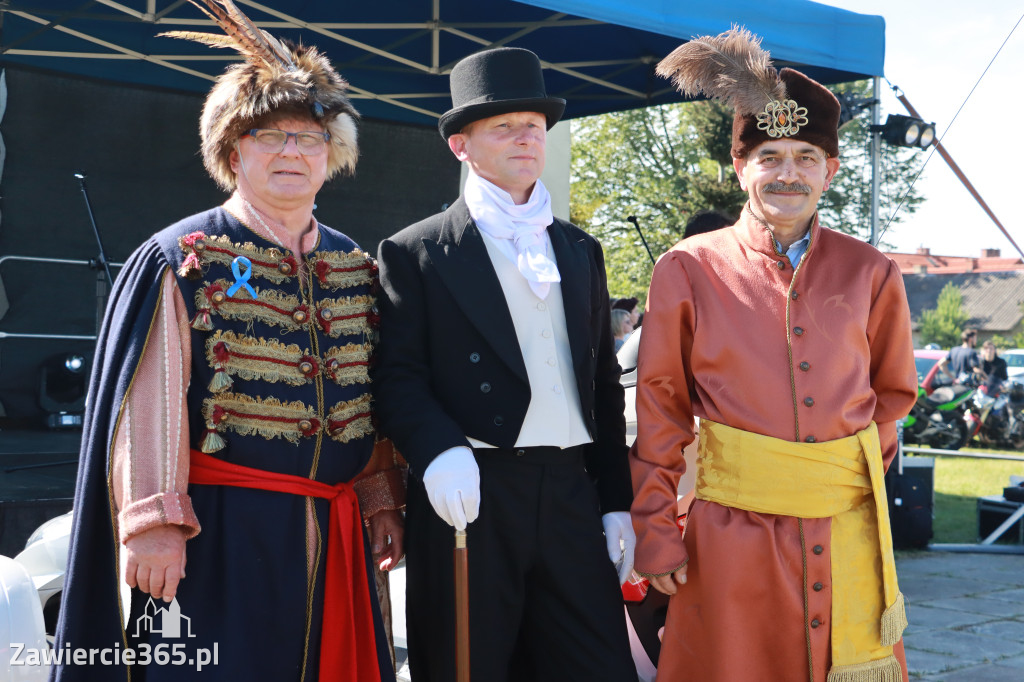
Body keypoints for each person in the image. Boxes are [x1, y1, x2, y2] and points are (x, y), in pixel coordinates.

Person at [52, 6, 403, 681]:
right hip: (212, 534)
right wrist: (153, 522)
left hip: (336, 535)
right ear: (234, 152)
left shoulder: (354, 264)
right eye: (270, 137)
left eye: (309, 139)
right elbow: (147, 397)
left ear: (333, 156)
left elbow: (369, 392)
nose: (292, 153)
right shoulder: (182, 256)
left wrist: (381, 497)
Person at [629, 28, 918, 682]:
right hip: (729, 543)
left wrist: (834, 485)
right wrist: (655, 527)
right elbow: (660, 409)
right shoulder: (688, 269)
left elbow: (892, 402)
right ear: (741, 168)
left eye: (806, 158)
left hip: (847, 537)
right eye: (771, 156)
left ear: (831, 171)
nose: (789, 173)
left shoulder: (873, 273)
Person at [373, 47, 637, 682]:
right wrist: (438, 451)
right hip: (473, 492)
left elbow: (602, 384)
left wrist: (615, 500)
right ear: (461, 145)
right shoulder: (416, 251)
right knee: (469, 665)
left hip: (571, 489)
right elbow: (397, 377)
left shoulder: (579, 249)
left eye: (535, 127)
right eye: (504, 127)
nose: (526, 138)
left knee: (598, 666)